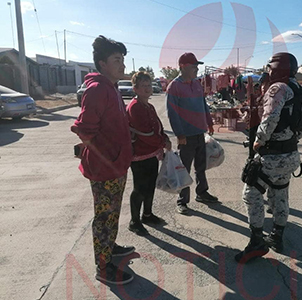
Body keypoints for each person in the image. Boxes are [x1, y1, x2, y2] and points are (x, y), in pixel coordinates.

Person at [235, 52, 302, 263]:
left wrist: (259, 140)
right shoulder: (299, 90)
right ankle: (277, 236)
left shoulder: (277, 88)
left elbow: (270, 117)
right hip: (291, 154)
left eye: (270, 68)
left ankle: (256, 242)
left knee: (251, 194)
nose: (267, 71)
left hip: (272, 156)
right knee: (280, 194)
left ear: (277, 69)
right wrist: (295, 137)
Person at [71, 35, 135, 284]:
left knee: (112, 213)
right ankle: (103, 266)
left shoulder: (111, 87)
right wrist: (101, 156)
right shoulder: (98, 89)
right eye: (117, 60)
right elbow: (85, 129)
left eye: (123, 59)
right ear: (102, 63)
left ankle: (110, 247)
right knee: (104, 218)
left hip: (116, 163)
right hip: (105, 168)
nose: (122, 65)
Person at [166, 52, 218, 214]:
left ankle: (202, 192)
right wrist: (179, 134)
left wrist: (208, 122)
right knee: (184, 169)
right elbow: (172, 113)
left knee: (201, 166)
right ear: (183, 67)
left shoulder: (196, 83)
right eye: (194, 66)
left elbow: (203, 105)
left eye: (197, 66)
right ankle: (182, 200)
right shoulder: (174, 87)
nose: (196, 69)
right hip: (186, 136)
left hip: (200, 132)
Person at [126, 71, 172, 236]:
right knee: (140, 188)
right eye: (143, 86)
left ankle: (147, 214)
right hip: (139, 155)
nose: (147, 88)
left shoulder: (149, 106)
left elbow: (158, 128)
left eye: (148, 85)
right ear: (135, 88)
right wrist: (162, 142)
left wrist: (164, 137)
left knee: (150, 185)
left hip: (152, 153)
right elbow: (144, 134)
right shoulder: (135, 107)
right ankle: (134, 221)